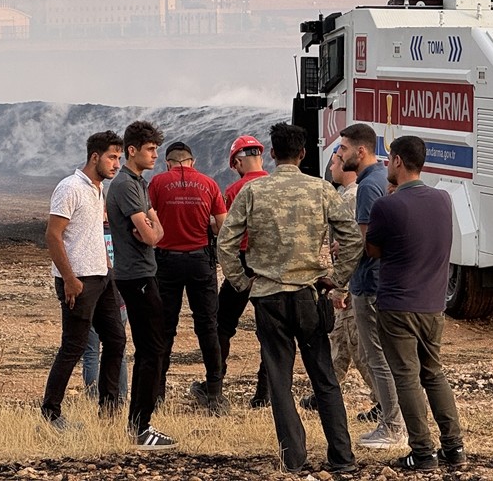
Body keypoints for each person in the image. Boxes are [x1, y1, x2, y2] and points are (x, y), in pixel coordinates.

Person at [219, 122, 363, 473]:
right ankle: (342, 457)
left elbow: (225, 242)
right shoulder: (320, 189)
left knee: (279, 381)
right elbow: (353, 239)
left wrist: (242, 283)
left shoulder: (253, 192)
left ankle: (294, 459)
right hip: (309, 295)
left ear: (272, 153)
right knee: (324, 377)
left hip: (268, 297)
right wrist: (336, 281)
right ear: (302, 154)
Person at [366, 136, 467, 471]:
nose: (385, 166)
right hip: (433, 303)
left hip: (397, 303)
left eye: (388, 159)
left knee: (406, 376)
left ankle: (422, 452)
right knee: (433, 373)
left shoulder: (386, 205)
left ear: (397, 161)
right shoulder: (442, 199)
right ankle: (453, 447)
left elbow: (373, 251)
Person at [41, 131, 128, 430]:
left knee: (116, 339)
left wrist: (107, 268)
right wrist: (69, 278)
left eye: (119, 158)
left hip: (102, 278)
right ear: (95, 157)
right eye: (112, 157)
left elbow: (91, 234)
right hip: (78, 280)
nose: (117, 164)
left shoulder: (98, 188)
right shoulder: (70, 187)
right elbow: (53, 235)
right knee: (74, 346)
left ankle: (109, 411)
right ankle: (51, 414)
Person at [105, 120, 177, 449]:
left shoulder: (139, 182)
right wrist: (151, 231)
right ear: (132, 150)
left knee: (155, 348)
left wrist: (152, 230)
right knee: (151, 350)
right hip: (136, 277)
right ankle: (140, 427)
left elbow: (157, 232)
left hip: (144, 272)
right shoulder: (124, 185)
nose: (155, 155)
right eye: (150, 149)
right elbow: (150, 235)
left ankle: (141, 424)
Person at [337, 122, 407, 449]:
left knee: (375, 356)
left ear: (360, 151)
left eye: (344, 149)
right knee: (387, 355)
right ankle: (398, 422)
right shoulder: (382, 178)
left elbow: (365, 244)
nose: (340, 154)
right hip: (386, 280)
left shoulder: (367, 186)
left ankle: (392, 426)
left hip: (368, 283)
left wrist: (340, 284)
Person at [147, 140, 229, 414]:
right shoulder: (208, 184)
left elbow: (148, 219)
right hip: (200, 260)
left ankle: (157, 392)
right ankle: (215, 393)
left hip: (166, 261)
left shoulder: (157, 183)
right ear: (192, 162)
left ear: (168, 162)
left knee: (164, 327)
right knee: (207, 326)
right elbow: (222, 226)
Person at [299, 149, 375, 415]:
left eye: (334, 162)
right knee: (340, 338)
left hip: (353, 281)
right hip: (348, 281)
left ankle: (385, 401)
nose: (331, 167)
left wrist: (340, 286)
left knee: (359, 344)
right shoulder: (344, 195)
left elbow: (355, 244)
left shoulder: (353, 197)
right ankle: (326, 391)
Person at [203, 134, 271, 408]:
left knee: (223, 325)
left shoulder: (233, 191)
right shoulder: (274, 186)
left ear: (238, 161)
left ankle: (215, 387)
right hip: (269, 264)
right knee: (270, 330)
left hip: (242, 261)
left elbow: (225, 232)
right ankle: (265, 393)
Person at [81, 208, 129, 403]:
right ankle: (121, 396)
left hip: (94, 299)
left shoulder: (88, 234)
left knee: (91, 352)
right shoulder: (122, 234)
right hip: (120, 300)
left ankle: (93, 398)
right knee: (119, 350)